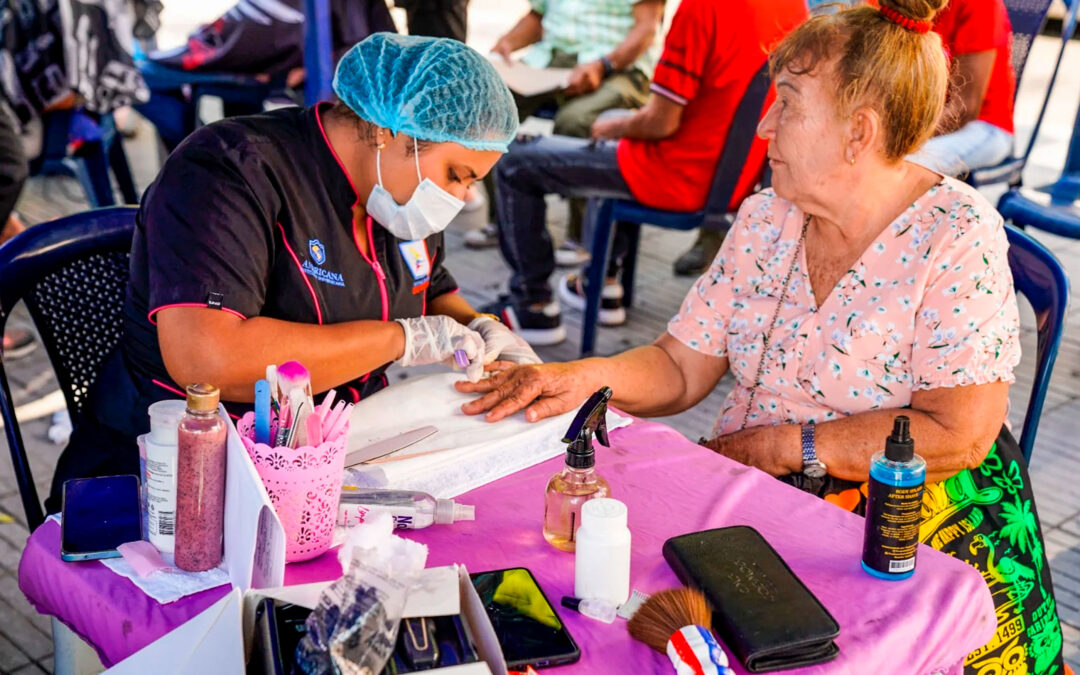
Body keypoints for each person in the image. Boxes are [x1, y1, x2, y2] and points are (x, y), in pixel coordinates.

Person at [458, 2, 1066, 672]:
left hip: (910, 524)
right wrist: (572, 378)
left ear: (858, 133)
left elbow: (960, 431)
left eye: (787, 104)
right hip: (761, 495)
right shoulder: (767, 217)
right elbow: (679, 366)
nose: (763, 125)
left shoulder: (955, 232)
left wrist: (783, 446)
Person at [46, 33, 539, 511]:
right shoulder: (228, 171)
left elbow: (427, 290)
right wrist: (402, 340)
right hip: (170, 485)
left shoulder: (395, 196)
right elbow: (208, 360)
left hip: (321, 463)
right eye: (456, 175)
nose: (462, 197)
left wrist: (479, 327)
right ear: (393, 130)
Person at [482, 0, 807, 345]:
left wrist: (612, 127)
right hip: (732, 180)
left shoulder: (704, 8)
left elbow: (660, 122)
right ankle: (602, 281)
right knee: (603, 140)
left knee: (515, 162)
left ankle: (533, 304)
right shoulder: (792, 7)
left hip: (674, 175)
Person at [463, 0, 664, 264]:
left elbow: (646, 29)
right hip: (550, 59)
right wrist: (508, 43)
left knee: (575, 123)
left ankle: (581, 235)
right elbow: (538, 16)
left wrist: (603, 65)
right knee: (485, 108)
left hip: (617, 66)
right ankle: (504, 220)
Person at [908, 0, 1016, 176]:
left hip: (984, 125)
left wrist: (902, 139)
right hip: (927, 119)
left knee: (906, 164)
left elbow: (965, 108)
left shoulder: (982, 5)